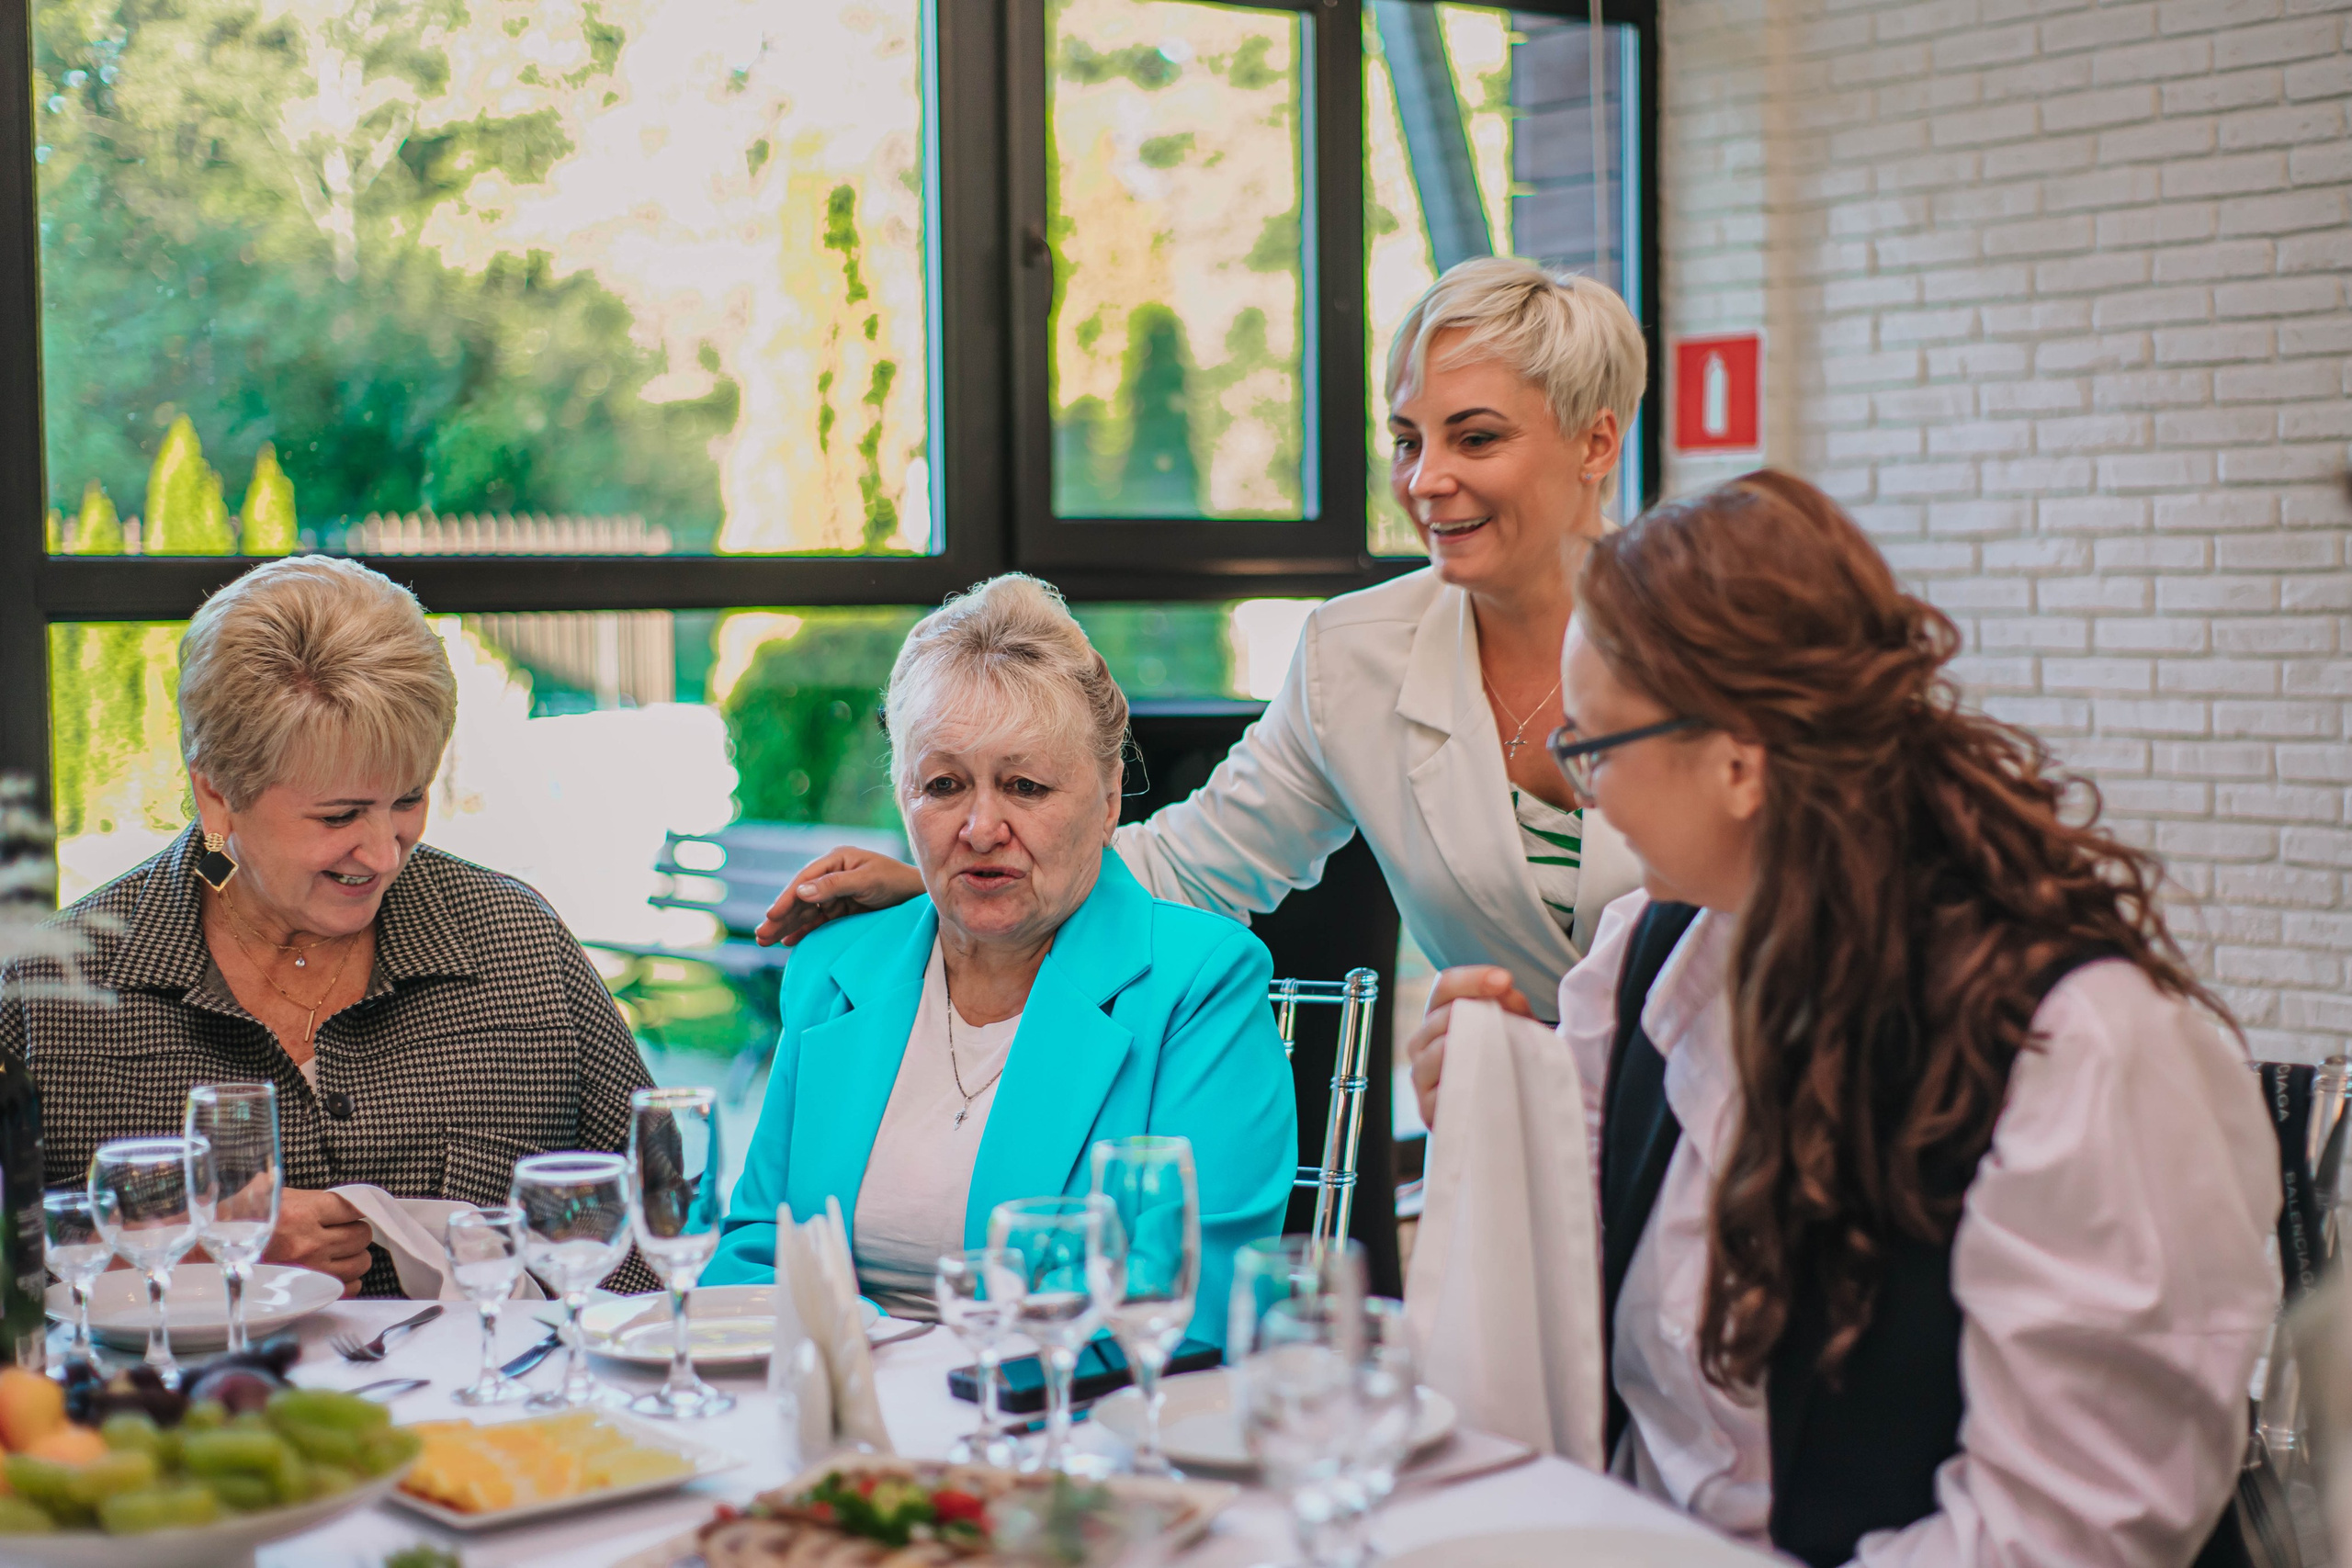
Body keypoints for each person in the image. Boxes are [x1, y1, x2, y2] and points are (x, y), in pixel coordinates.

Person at [1405, 471, 2277, 1566]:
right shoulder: (1644, 954)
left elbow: (2061, 1536)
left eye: (1594, 748)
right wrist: (1490, 1096)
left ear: (1737, 760)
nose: (1582, 791)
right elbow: (1559, 1288)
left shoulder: (2080, 1049)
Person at [755, 256, 1648, 1021]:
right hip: (1505, 1118)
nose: (1426, 480)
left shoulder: (1702, 634)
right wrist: (944, 883)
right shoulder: (1356, 653)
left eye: (1475, 439)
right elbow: (1191, 864)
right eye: (1407, 441)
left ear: (1596, 444)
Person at [2, 557, 657, 1298]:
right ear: (217, 795)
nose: (382, 853)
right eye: (339, 815)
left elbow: (650, 1234)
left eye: (407, 800)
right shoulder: (52, 994)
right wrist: (193, 1249)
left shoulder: (518, 946)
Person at [705, 574, 1296, 1339]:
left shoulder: (1202, 985)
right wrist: (872, 1361)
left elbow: (1192, 1306)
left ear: (1110, 798)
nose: (982, 827)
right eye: (944, 784)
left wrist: (910, 1363)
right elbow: (754, 1252)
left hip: (1061, 1407)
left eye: (1025, 785)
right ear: (903, 795)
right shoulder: (834, 968)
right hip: (850, 1403)